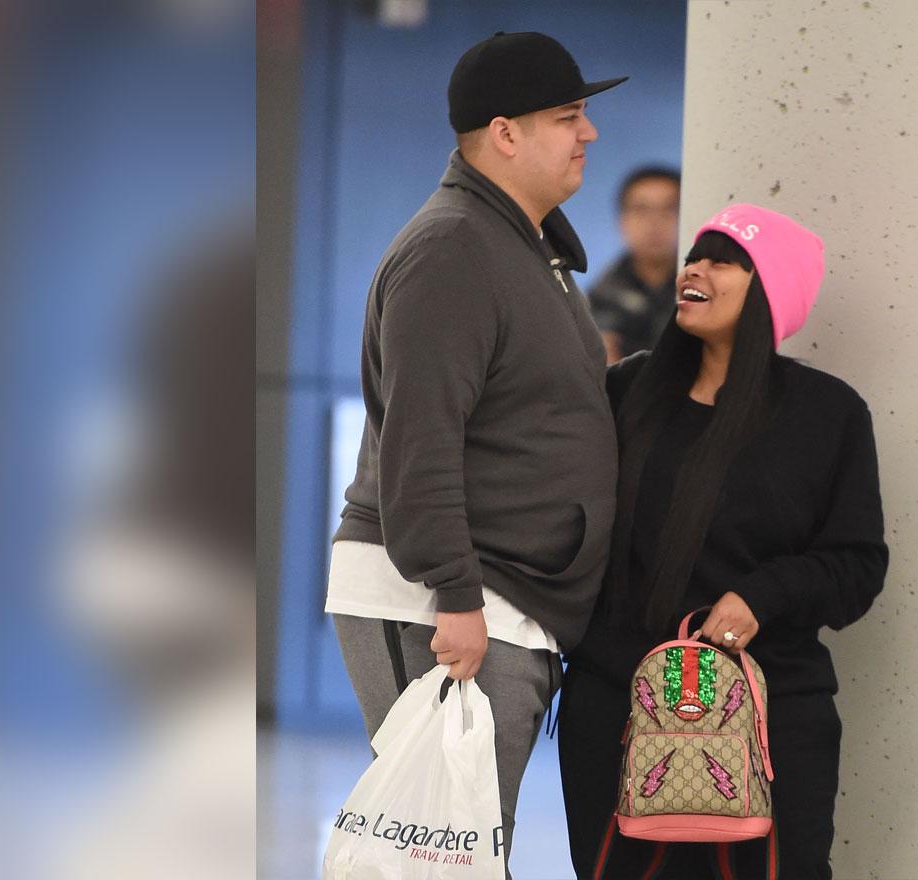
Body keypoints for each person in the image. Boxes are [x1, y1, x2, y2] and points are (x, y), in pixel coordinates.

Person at [325, 31, 625, 874]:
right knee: (441, 853)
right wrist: (455, 594)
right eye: (568, 116)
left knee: (468, 848)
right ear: (504, 133)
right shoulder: (454, 249)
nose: (588, 133)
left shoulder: (530, 250)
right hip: (450, 601)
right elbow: (419, 441)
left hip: (509, 601)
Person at [558, 204, 890, 878]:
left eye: (723, 259)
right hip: (618, 707)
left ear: (771, 287)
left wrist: (760, 597)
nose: (695, 268)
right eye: (695, 256)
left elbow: (857, 566)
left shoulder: (828, 415)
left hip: (769, 714)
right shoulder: (627, 391)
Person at [587, 166, 681, 363]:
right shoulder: (597, 302)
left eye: (670, 209)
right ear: (622, 220)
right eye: (641, 210)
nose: (655, 222)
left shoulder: (704, 290)